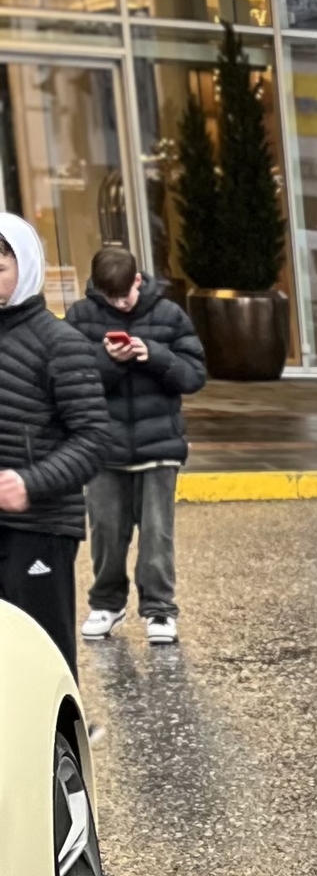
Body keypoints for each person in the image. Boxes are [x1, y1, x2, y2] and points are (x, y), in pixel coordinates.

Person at [72, 242, 206, 646]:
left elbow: (194, 376)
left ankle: (160, 610)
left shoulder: (168, 315)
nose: (121, 303)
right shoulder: (81, 317)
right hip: (104, 446)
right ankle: (107, 603)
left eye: (125, 293)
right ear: (98, 288)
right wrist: (108, 359)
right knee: (107, 533)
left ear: (138, 279)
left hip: (159, 446)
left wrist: (153, 354)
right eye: (111, 297)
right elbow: (70, 379)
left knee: (157, 535)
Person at [0, 210, 110, 671]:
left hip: (39, 528)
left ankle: (60, 741)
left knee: (41, 659)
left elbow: (94, 438)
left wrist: (30, 481)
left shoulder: (59, 342)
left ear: (25, 267)